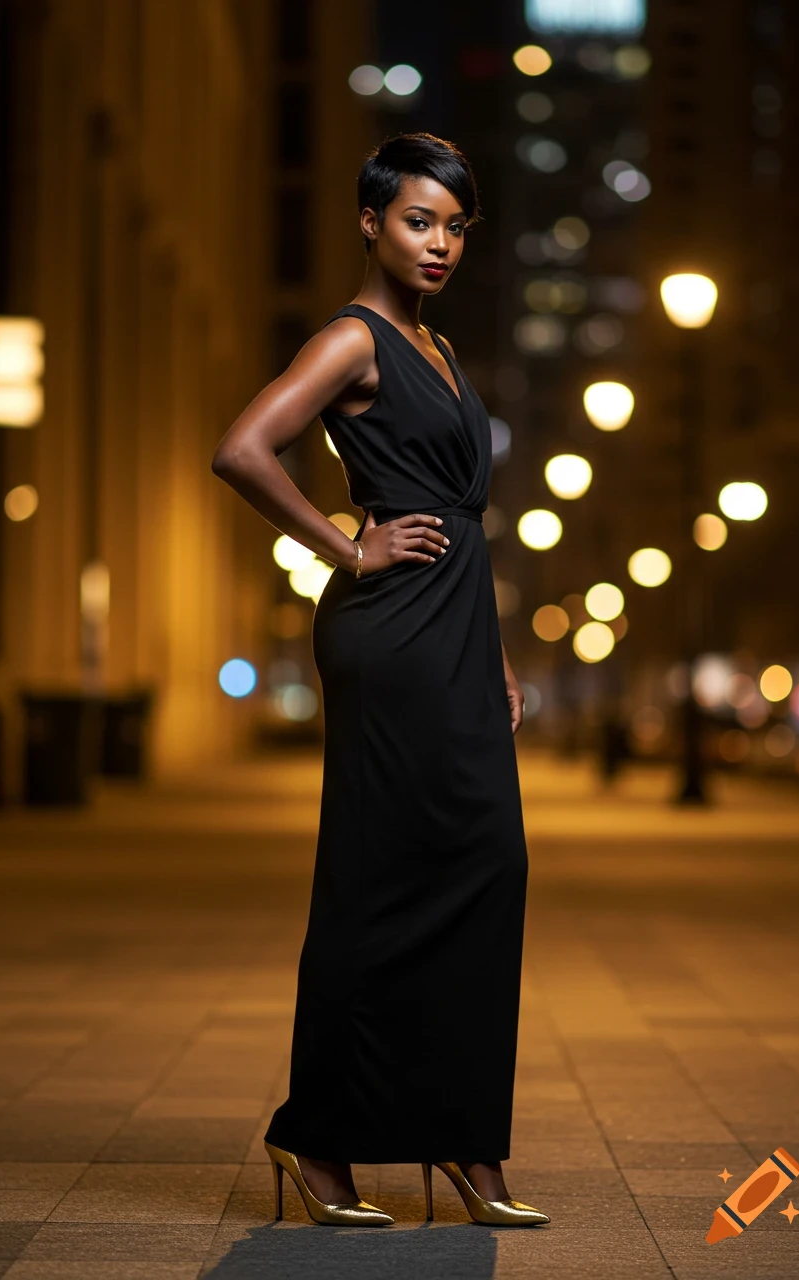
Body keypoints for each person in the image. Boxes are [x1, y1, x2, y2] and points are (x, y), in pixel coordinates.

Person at [212, 132, 548, 1230]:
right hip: (387, 629)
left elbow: (462, 520)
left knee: (487, 863)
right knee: (376, 876)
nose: (439, 242)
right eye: (418, 220)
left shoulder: (439, 346)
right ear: (370, 223)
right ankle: (321, 1142)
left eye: (455, 225)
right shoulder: (350, 341)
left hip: (450, 628)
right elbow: (244, 446)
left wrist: (490, 648)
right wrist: (342, 545)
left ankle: (460, 1138)